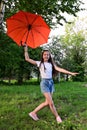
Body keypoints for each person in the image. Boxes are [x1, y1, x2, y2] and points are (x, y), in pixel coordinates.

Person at [24, 46, 78, 123]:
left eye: (48, 55)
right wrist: (26, 49)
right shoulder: (39, 63)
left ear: (49, 56)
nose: (46, 56)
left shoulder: (51, 64)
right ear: (42, 56)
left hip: (51, 83)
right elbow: (27, 59)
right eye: (45, 54)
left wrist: (70, 73)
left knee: (47, 102)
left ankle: (33, 113)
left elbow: (59, 69)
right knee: (51, 103)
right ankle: (57, 117)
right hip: (44, 83)